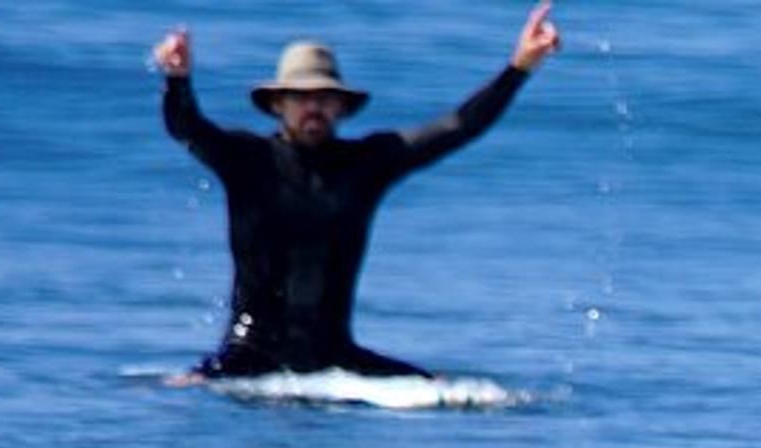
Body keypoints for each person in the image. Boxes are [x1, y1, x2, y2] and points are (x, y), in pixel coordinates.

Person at [151, 3, 561, 379]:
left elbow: (458, 126)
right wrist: (177, 81)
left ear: (342, 107)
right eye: (300, 97)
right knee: (184, 385)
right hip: (250, 352)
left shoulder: (367, 164)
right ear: (277, 104)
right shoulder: (247, 160)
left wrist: (519, 67)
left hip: (333, 354)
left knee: (448, 391)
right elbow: (187, 129)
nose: (314, 107)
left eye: (325, 98)